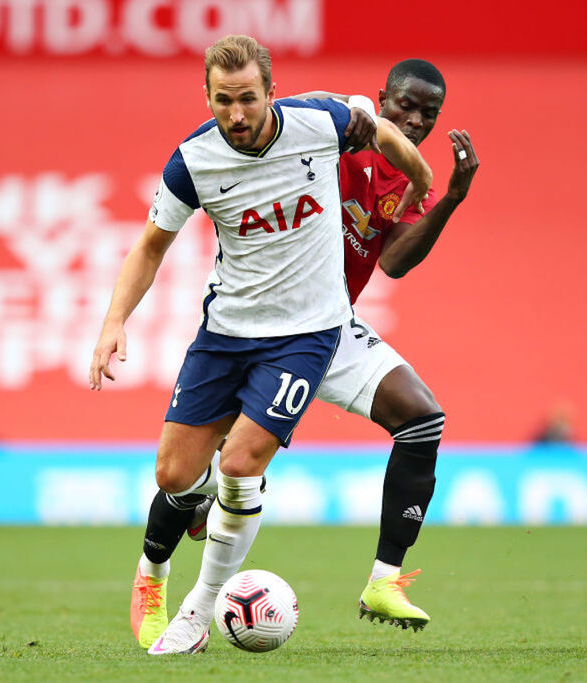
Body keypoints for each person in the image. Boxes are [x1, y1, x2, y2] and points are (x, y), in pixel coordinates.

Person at [88, 35, 433, 655]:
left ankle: (197, 613)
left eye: (248, 98)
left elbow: (381, 131)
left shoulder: (319, 123)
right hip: (227, 332)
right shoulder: (193, 161)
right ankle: (151, 579)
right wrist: (114, 321)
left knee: (242, 465)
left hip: (307, 333)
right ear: (207, 98)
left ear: (273, 93)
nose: (237, 113)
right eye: (224, 101)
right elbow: (149, 247)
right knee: (175, 474)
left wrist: (423, 176)